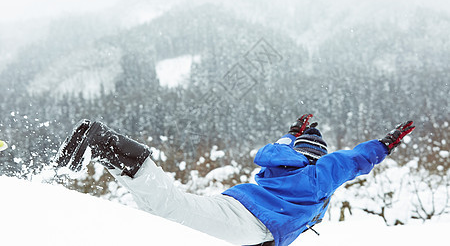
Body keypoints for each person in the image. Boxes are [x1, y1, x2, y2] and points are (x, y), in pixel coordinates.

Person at [55, 114, 415, 246]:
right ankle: (106, 142)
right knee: (166, 208)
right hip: (246, 224)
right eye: (316, 153)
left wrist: (292, 134)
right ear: (313, 155)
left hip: (239, 215)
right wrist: (383, 146)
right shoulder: (317, 177)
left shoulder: (281, 167)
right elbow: (353, 160)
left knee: (161, 209)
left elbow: (285, 151)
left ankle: (106, 152)